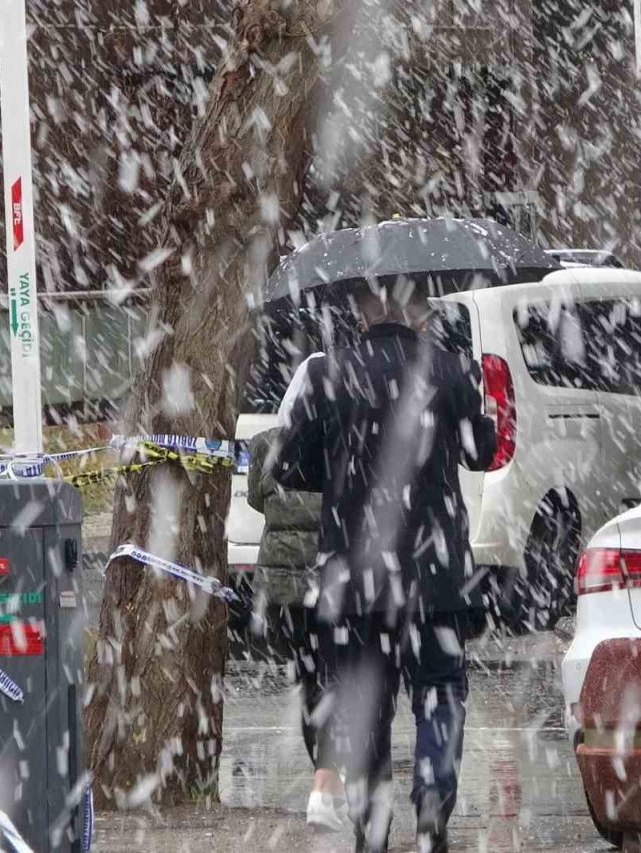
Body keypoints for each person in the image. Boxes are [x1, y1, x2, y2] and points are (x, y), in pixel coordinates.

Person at [273, 286, 497, 853]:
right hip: (436, 570)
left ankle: (371, 830)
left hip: (355, 575)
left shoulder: (328, 373)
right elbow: (485, 452)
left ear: (360, 311)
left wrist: (343, 471)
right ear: (418, 310)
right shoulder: (452, 370)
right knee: (440, 690)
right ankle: (431, 802)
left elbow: (289, 467)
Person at [245, 351, 348, 832]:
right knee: (335, 680)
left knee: (311, 683)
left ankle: (326, 782)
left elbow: (256, 499)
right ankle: (325, 785)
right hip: (330, 584)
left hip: (283, 590)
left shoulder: (268, 444)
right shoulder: (344, 443)